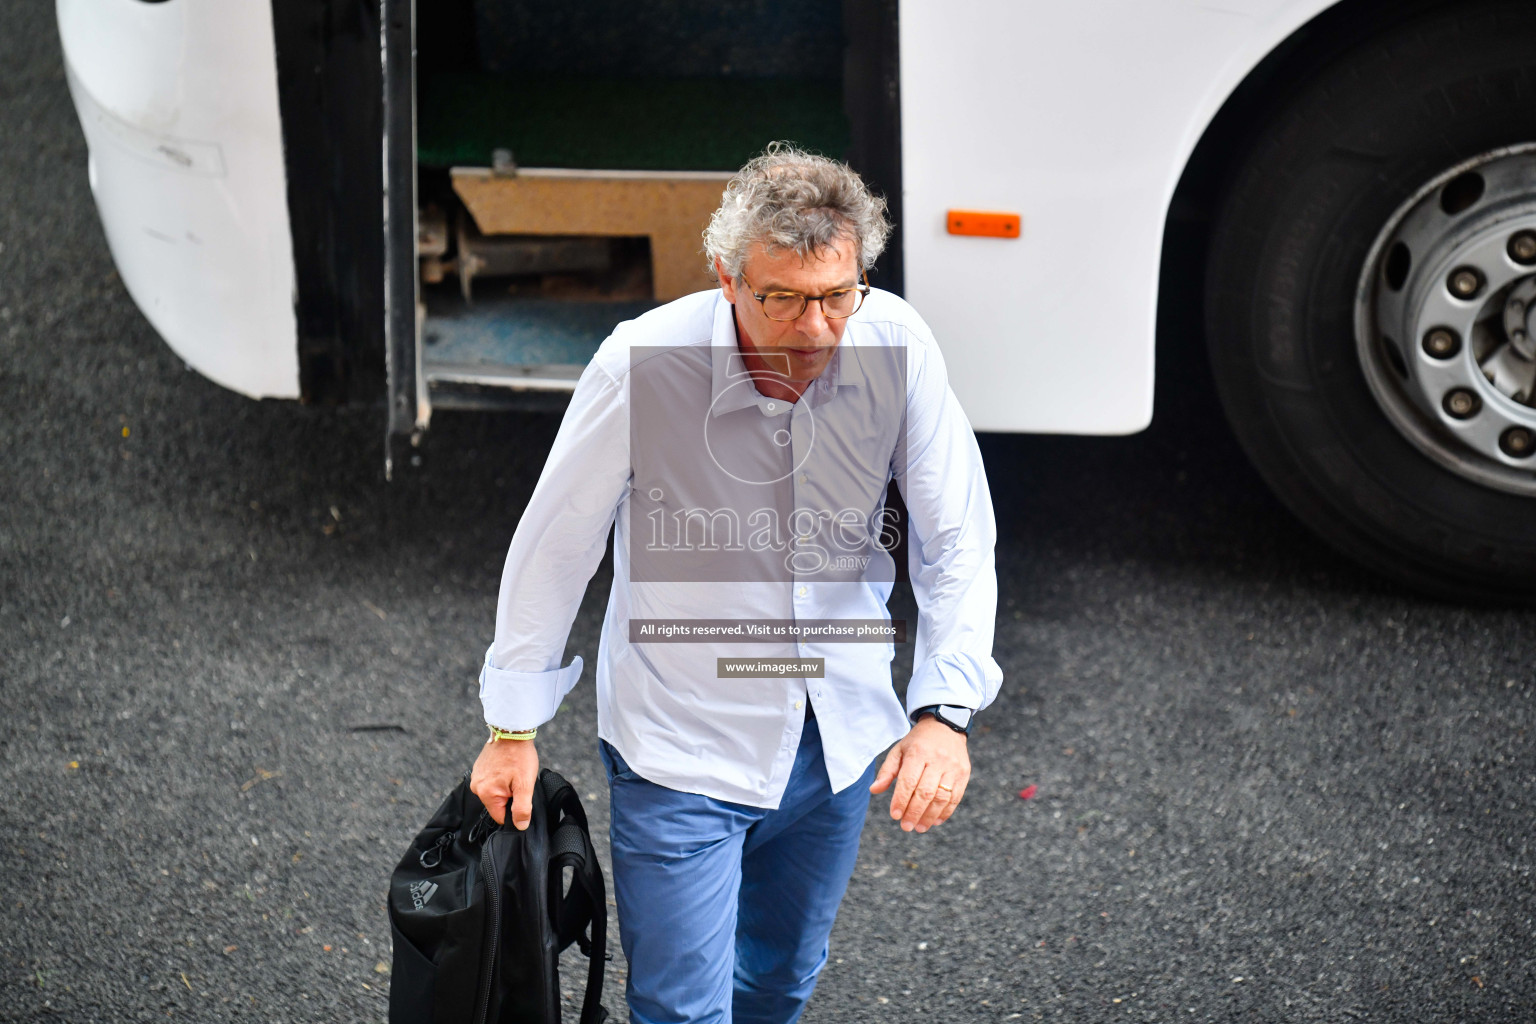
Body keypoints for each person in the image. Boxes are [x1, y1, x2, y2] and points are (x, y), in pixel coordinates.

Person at [470, 142, 1003, 1024]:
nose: (816, 328)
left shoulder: (897, 344)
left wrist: (943, 712)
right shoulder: (639, 363)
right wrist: (512, 725)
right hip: (682, 750)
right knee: (681, 1013)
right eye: (783, 299)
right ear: (726, 276)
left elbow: (955, 539)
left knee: (779, 985)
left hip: (835, 742)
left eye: (837, 295)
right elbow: (557, 546)